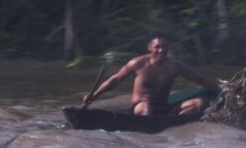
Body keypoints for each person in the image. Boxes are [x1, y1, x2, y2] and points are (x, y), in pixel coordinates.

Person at [82, 36, 221, 116]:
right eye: (158, 47)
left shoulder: (174, 66)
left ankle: (172, 121)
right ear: (150, 48)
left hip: (163, 107)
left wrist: (220, 91)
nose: (161, 50)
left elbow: (199, 79)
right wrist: (94, 95)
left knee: (200, 103)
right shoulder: (138, 63)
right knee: (147, 108)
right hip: (141, 106)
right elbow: (115, 79)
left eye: (165, 47)